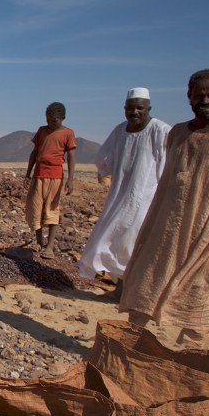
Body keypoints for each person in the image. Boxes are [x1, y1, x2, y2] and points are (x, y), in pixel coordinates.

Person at [119, 70, 209, 346]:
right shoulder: (178, 133)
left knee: (200, 289)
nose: (204, 100)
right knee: (147, 279)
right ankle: (130, 346)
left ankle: (187, 355)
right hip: (165, 226)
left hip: (208, 233)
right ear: (189, 97)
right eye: (199, 95)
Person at [78, 88, 170, 291]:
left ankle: (134, 292)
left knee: (133, 243)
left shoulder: (160, 130)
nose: (135, 112)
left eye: (140, 108)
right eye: (131, 108)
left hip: (146, 198)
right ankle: (121, 290)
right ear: (124, 109)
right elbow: (103, 157)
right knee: (115, 241)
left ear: (148, 108)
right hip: (120, 196)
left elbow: (167, 164)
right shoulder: (120, 130)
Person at [24, 102, 76, 259]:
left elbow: (71, 156)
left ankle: (50, 245)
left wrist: (70, 179)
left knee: (52, 209)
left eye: (54, 121)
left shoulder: (67, 133)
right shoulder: (41, 131)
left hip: (55, 176)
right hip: (39, 174)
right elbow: (35, 152)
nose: (50, 123)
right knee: (35, 207)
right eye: (48, 120)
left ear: (62, 118)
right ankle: (39, 242)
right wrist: (28, 173)